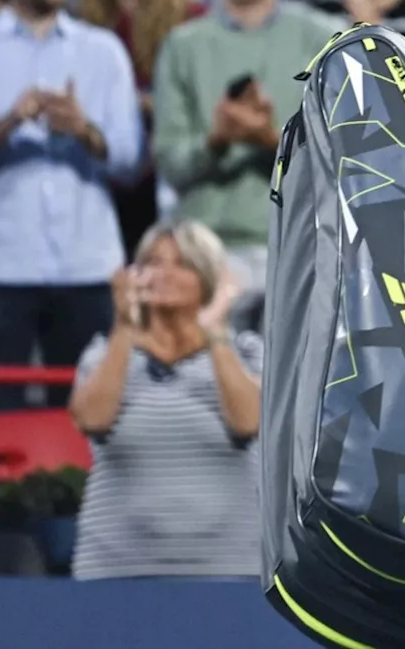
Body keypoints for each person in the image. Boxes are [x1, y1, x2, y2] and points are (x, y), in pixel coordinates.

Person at [152, 0, 336, 334]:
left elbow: (342, 159)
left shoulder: (324, 37)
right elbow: (170, 162)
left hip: (301, 245)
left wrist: (271, 139)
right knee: (210, 395)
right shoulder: (181, 46)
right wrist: (217, 139)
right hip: (206, 250)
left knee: (294, 397)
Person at [0, 0, 140, 410]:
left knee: (89, 422)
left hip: (87, 267)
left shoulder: (103, 51)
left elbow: (129, 158)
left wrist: (84, 131)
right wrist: (9, 123)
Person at [68, 219, 262, 580]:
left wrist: (216, 330)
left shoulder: (246, 352)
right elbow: (91, 419)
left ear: (208, 278)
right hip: (116, 570)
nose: (163, 274)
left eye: (182, 264)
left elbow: (249, 422)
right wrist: (125, 327)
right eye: (153, 263)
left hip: (231, 571)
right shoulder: (105, 353)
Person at [79, 0, 205, 255]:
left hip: (171, 165)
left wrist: (148, 102)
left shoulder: (193, 19)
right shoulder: (79, 24)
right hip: (102, 165)